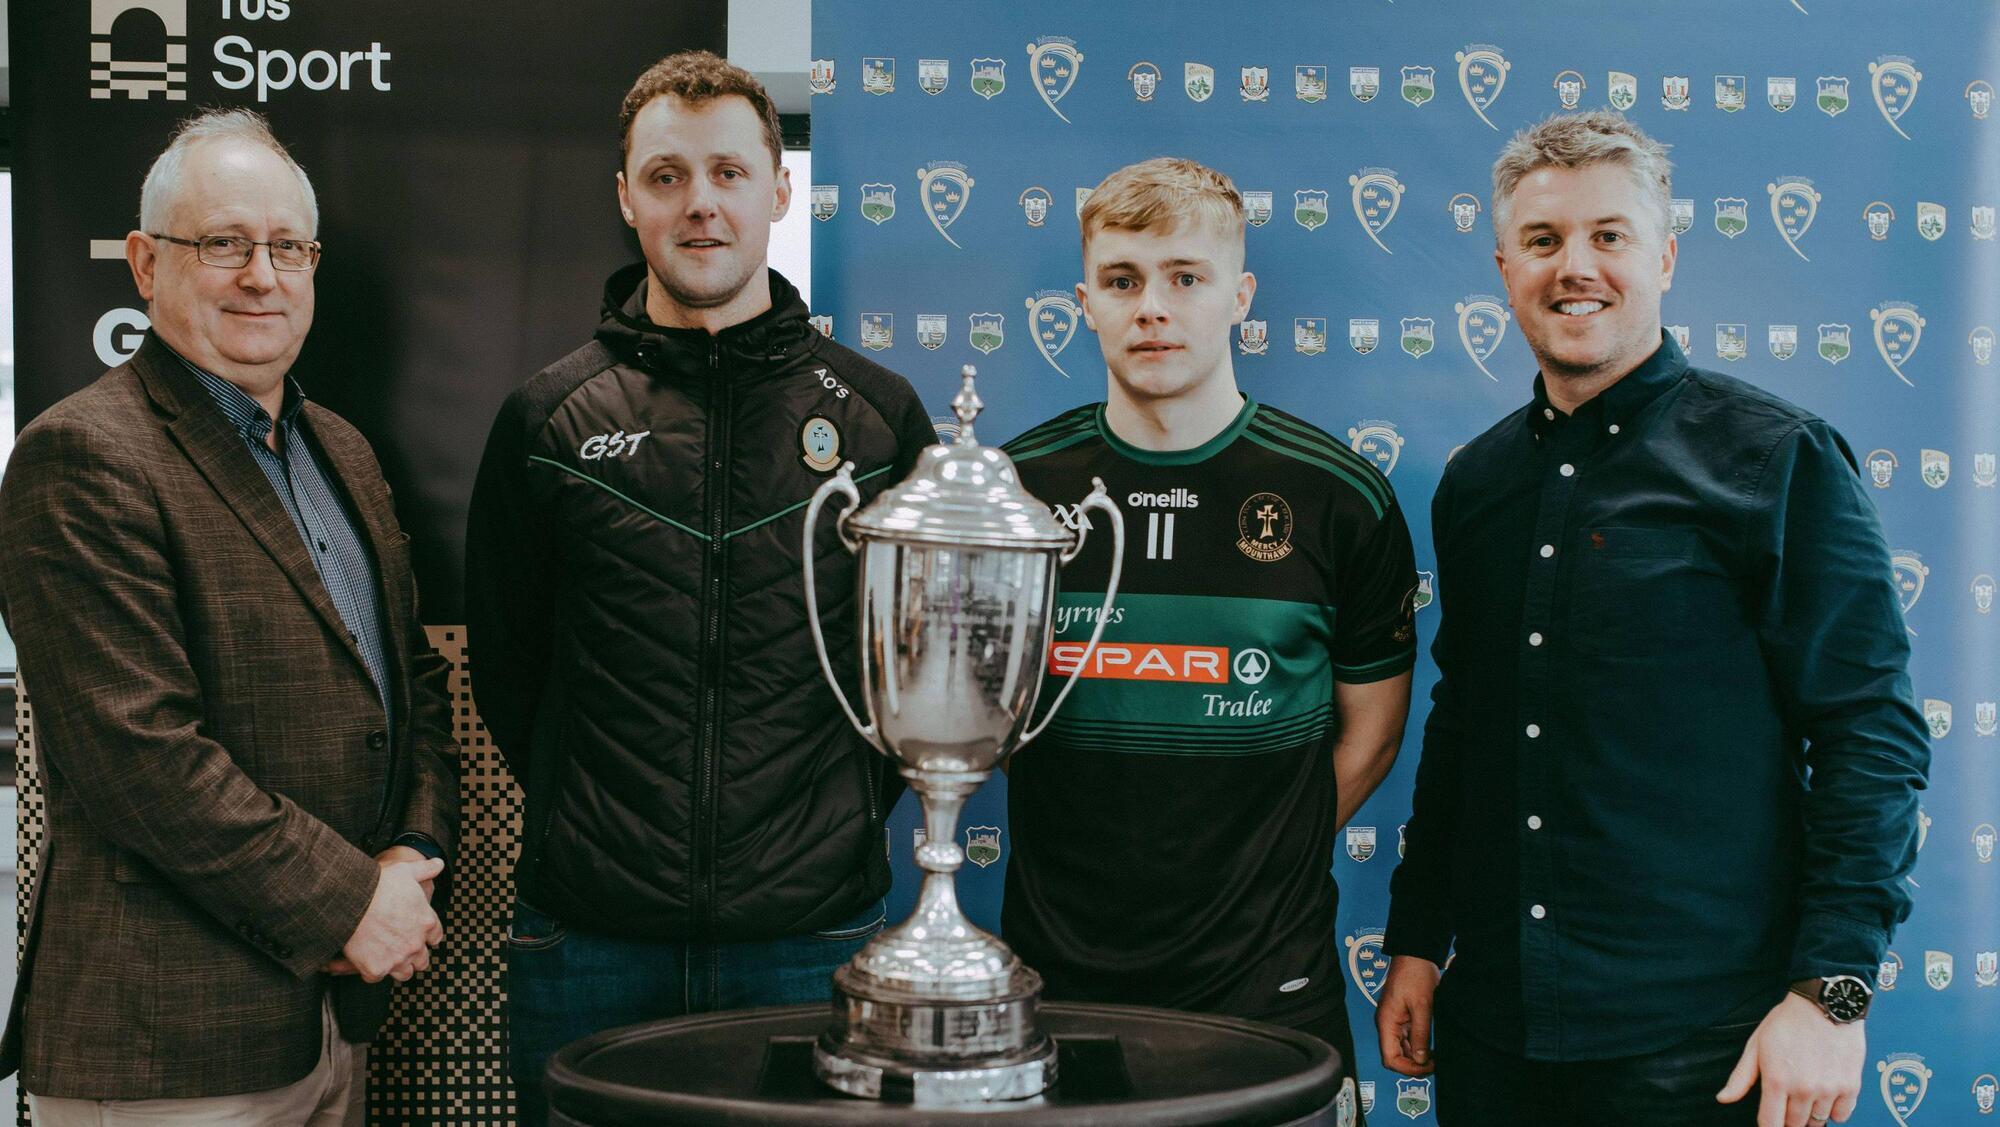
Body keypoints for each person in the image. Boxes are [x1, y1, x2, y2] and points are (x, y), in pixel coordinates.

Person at [1377, 111, 1929, 1127]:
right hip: (1494, 1030)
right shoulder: (1476, 484)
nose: (1573, 267)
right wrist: (1416, 937)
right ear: (1505, 268)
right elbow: (1465, 724)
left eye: (1608, 236)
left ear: (1664, 256)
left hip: (1701, 1046)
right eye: (1543, 240)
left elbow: (1869, 733)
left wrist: (1831, 995)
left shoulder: (1777, 458)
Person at [463, 50, 937, 1121]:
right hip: (588, 939)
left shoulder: (877, 419)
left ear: (779, 191)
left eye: (728, 173)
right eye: (667, 176)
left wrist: (820, 824)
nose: (700, 204)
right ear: (625, 197)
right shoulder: (547, 420)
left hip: (808, 937)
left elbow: (911, 668)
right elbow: (510, 667)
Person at [0, 108, 459, 1124]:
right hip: (166, 1046)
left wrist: (411, 851)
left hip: (332, 1024)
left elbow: (413, 684)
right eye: (223, 243)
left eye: (287, 247)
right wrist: (352, 900)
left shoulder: (341, 452)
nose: (262, 275)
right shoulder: (82, 455)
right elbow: (141, 759)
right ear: (144, 262)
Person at [1000, 157, 1418, 1127]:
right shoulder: (1014, 489)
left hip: (1270, 989)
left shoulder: (1338, 496)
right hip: (1060, 988)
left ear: (1240, 296)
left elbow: (1372, 732)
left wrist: (1253, 861)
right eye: (1122, 280)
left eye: (1185, 277)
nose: (1153, 306)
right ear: (1084, 305)